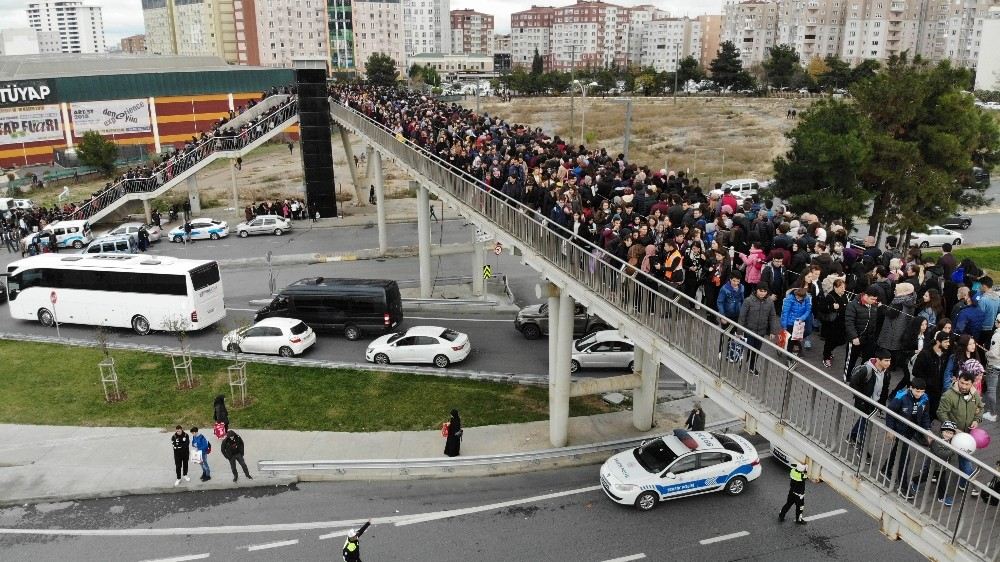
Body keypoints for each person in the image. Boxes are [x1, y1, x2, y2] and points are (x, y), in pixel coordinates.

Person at [938, 371, 984, 495]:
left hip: (966, 435)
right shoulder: (948, 395)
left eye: (967, 384)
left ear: (972, 384)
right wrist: (952, 428)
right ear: (958, 380)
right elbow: (941, 412)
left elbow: (980, 408)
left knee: (965, 458)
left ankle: (966, 483)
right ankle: (933, 473)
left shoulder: (975, 395)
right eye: (961, 382)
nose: (963, 386)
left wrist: (976, 420)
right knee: (941, 455)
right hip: (950, 434)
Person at [883, 378, 931, 496]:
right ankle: (903, 487)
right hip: (900, 430)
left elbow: (925, 415)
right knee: (905, 458)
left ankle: (885, 469)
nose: (919, 394)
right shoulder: (901, 397)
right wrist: (890, 430)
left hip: (911, 430)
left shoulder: (925, 399)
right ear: (911, 388)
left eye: (921, 392)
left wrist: (928, 430)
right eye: (917, 391)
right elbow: (890, 412)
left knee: (897, 450)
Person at [847, 350, 893, 462]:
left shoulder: (886, 373)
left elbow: (885, 389)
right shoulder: (866, 369)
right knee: (866, 425)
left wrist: (881, 404)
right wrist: (861, 401)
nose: (888, 363)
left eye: (889, 361)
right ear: (878, 360)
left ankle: (852, 436)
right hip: (865, 403)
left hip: (874, 403)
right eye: (886, 361)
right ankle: (863, 451)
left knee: (864, 421)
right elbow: (853, 383)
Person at [907, 421, 960, 506]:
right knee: (926, 476)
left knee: (942, 481)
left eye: (950, 433)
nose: (948, 435)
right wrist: (953, 451)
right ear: (941, 431)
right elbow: (940, 453)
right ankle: (915, 481)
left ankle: (941, 496)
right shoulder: (936, 441)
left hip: (942, 466)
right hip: (933, 465)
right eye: (946, 432)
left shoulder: (952, 442)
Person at [738, 283, 780, 377]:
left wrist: (773, 331)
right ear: (756, 290)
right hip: (749, 330)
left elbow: (772, 316)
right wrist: (740, 331)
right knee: (747, 349)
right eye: (760, 291)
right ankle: (743, 364)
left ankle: (752, 367)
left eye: (764, 291)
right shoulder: (748, 301)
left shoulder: (770, 302)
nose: (762, 293)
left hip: (761, 331)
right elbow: (742, 317)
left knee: (756, 351)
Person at [844, 287, 881, 383]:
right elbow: (849, 322)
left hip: (869, 338)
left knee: (867, 360)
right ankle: (847, 378)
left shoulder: (874, 305)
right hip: (856, 338)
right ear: (865, 296)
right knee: (851, 359)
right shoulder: (853, 305)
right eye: (872, 299)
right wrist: (854, 337)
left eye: (875, 299)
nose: (874, 301)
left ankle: (861, 377)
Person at [912, 331, 952, 420]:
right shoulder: (925, 354)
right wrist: (928, 382)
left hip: (937, 391)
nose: (948, 344)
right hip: (926, 390)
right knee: (920, 412)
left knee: (932, 413)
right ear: (938, 342)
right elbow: (915, 371)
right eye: (945, 342)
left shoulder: (945, 355)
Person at [818, 278, 849, 369]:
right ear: (835, 287)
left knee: (841, 340)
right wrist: (831, 306)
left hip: (841, 323)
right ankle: (826, 357)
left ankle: (829, 351)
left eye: (844, 287)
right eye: (841, 287)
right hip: (831, 325)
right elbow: (822, 308)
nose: (843, 289)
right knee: (830, 341)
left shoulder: (844, 296)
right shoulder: (830, 296)